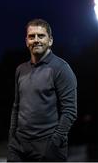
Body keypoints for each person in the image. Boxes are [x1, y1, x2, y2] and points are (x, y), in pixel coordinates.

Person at [7, 18, 77, 162]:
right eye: (32, 36)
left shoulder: (61, 68)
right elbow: (16, 107)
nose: (36, 40)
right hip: (18, 146)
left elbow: (70, 111)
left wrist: (54, 143)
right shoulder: (21, 69)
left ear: (50, 40)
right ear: (26, 41)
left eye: (41, 36)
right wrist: (12, 138)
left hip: (47, 147)